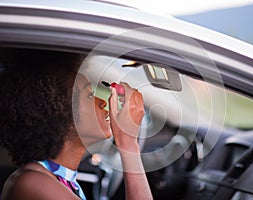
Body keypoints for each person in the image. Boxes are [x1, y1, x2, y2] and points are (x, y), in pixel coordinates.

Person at [0, 48, 153, 200]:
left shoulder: (57, 179)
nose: (101, 103)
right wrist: (128, 143)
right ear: (61, 115)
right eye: (90, 95)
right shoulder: (32, 183)